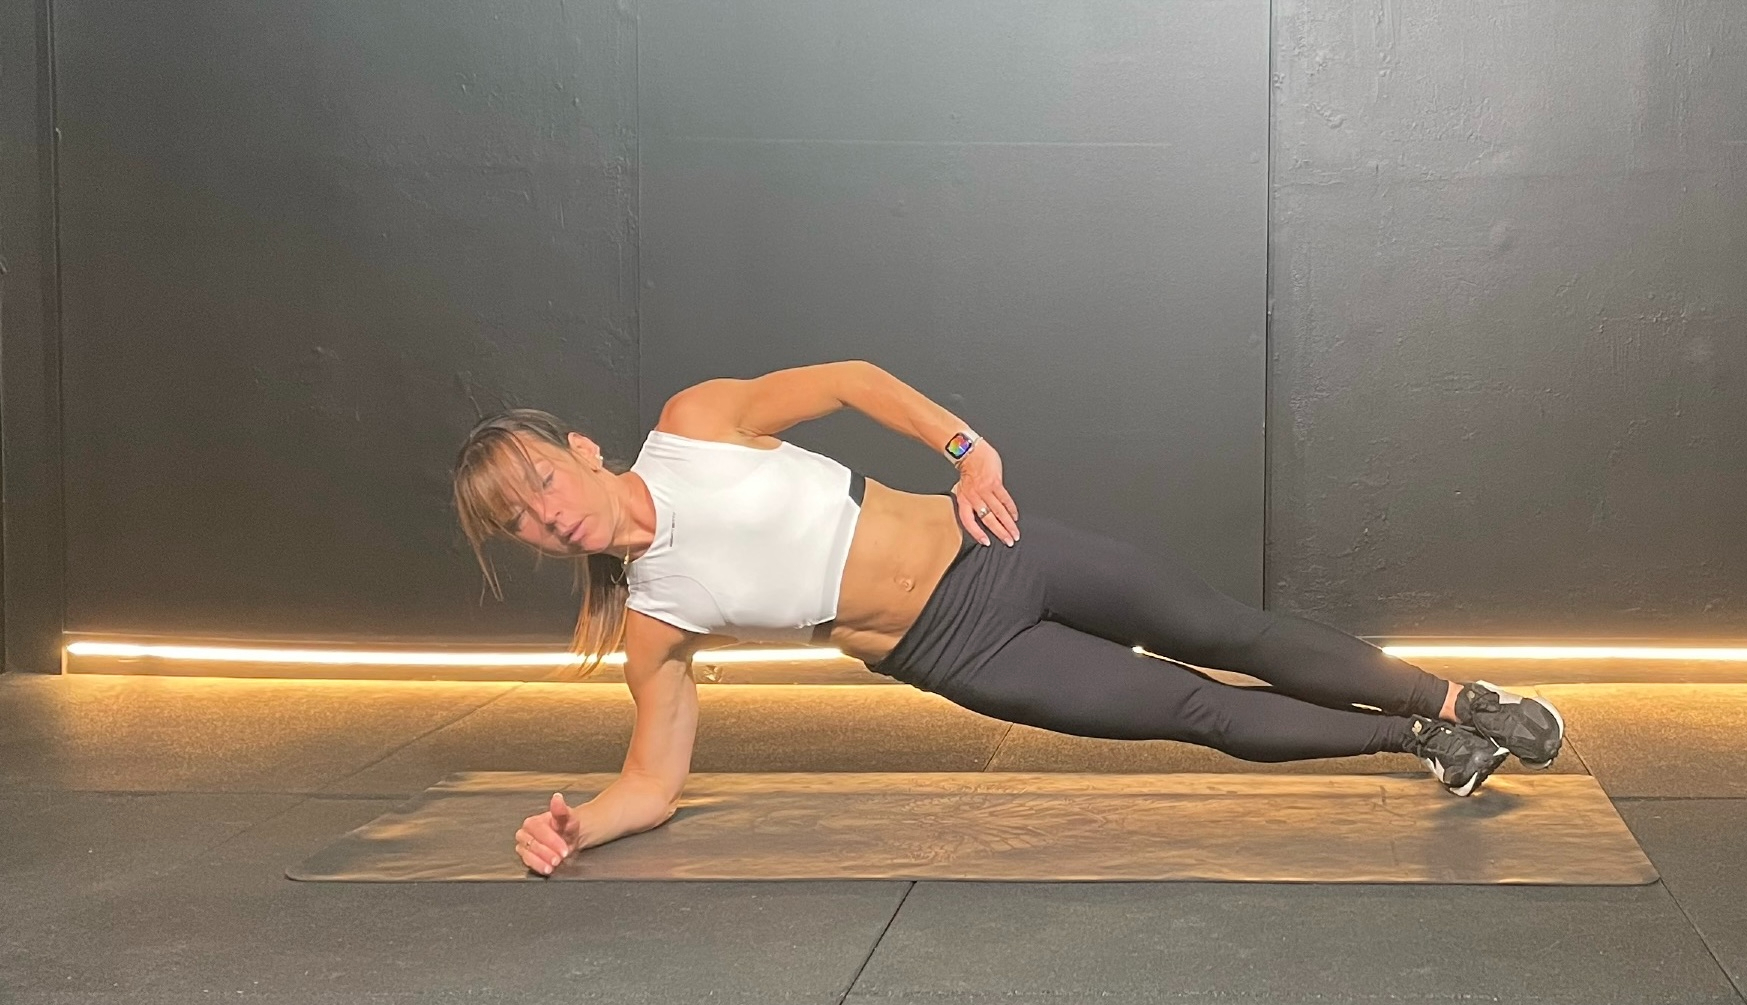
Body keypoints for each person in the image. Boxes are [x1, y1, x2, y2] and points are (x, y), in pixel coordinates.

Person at [451, 361, 1564, 876]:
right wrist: (577, 826)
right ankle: (1419, 739)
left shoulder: (694, 423)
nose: (552, 520)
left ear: (579, 450)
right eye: (524, 528)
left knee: (1229, 630)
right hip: (963, 651)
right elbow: (650, 782)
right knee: (1196, 712)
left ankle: (1462, 698)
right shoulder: (653, 622)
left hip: (998, 548)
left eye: (543, 484)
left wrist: (964, 450)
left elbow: (849, 379)